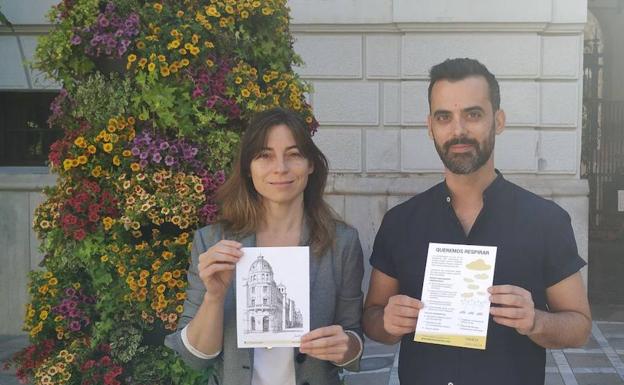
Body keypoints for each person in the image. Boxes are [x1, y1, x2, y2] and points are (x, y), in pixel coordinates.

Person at [362, 58, 592, 385]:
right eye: (444, 117)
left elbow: (579, 326)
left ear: (498, 121)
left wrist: (535, 321)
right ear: (430, 126)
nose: (458, 131)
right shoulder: (401, 222)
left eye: (473, 114)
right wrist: (387, 322)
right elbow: (372, 317)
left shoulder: (545, 220)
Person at [165, 107, 364, 385]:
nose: (280, 168)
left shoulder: (341, 242)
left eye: (293, 154)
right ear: (248, 167)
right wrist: (214, 296)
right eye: (264, 155)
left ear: (311, 164)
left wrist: (346, 347)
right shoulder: (213, 242)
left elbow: (353, 336)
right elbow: (196, 358)